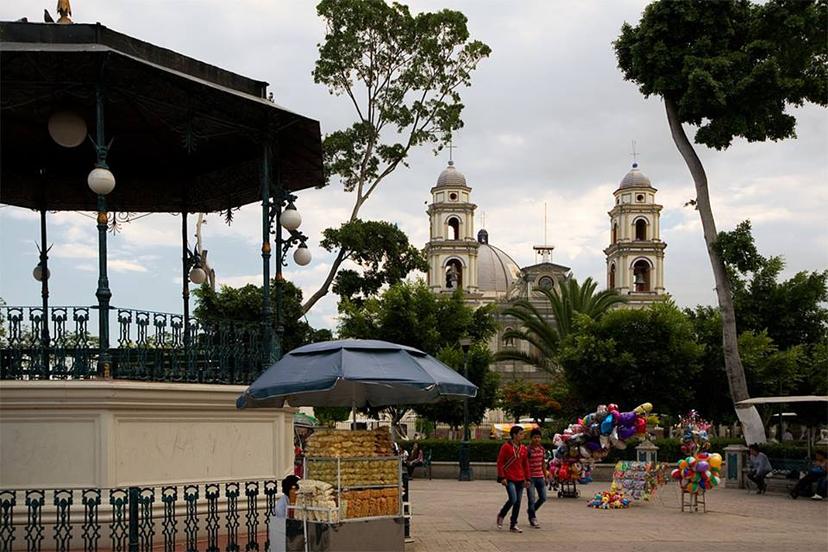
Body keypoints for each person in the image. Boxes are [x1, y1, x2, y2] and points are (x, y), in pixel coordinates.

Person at [496, 425, 530, 533]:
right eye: (520, 434)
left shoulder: (523, 448)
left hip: (520, 477)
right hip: (509, 477)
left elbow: (525, 464)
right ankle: (502, 514)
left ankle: (513, 524)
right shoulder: (506, 447)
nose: (522, 436)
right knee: (513, 498)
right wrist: (502, 476)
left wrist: (527, 478)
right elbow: (500, 462)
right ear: (514, 435)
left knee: (518, 502)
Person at [525, 428, 549, 529]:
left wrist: (546, 476)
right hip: (530, 478)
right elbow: (524, 464)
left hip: (540, 477)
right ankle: (532, 517)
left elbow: (543, 463)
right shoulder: (527, 450)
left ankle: (531, 510)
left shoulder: (542, 449)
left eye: (538, 437)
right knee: (531, 498)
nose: (537, 439)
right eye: (535, 437)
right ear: (531, 438)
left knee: (543, 497)